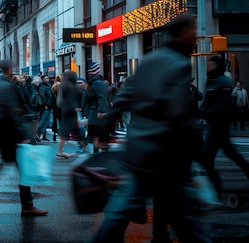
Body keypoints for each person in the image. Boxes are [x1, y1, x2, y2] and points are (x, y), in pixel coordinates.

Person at [91, 14, 212, 243]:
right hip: (166, 156)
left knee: (118, 214)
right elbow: (178, 115)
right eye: (193, 30)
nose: (196, 34)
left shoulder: (150, 60)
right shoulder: (180, 64)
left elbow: (124, 98)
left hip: (139, 151)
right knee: (185, 221)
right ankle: (161, 235)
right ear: (184, 33)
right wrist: (199, 152)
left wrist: (103, 129)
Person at [0, 59, 49, 217]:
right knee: (22, 169)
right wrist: (25, 135)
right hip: (12, 134)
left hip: (4, 133)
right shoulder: (10, 87)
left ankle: (25, 204)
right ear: (10, 69)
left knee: (6, 165)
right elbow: (16, 113)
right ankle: (27, 205)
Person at [198, 56, 249, 198]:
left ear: (217, 65)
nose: (208, 65)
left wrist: (204, 112)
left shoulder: (223, 81)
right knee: (217, 156)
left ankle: (215, 189)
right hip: (213, 126)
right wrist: (201, 112)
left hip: (220, 126)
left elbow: (222, 104)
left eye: (211, 63)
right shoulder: (211, 80)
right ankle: (215, 187)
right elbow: (208, 101)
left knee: (213, 157)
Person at [85, 62, 109, 153]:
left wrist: (100, 111)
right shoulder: (96, 82)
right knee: (98, 134)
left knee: (97, 134)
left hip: (95, 112)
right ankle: (98, 153)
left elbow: (99, 97)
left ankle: (97, 153)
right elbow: (100, 97)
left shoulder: (95, 83)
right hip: (96, 112)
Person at [55, 70, 80, 159]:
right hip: (71, 110)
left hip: (66, 110)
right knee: (74, 130)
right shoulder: (72, 86)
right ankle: (60, 151)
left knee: (65, 131)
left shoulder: (64, 85)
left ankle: (60, 151)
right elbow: (73, 99)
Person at [35, 75, 54, 141]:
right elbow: (44, 96)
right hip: (46, 106)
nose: (47, 79)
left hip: (48, 105)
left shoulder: (49, 85)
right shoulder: (42, 86)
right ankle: (37, 133)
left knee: (45, 121)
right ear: (42, 79)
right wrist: (46, 104)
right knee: (43, 120)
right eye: (45, 78)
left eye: (48, 78)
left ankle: (41, 135)